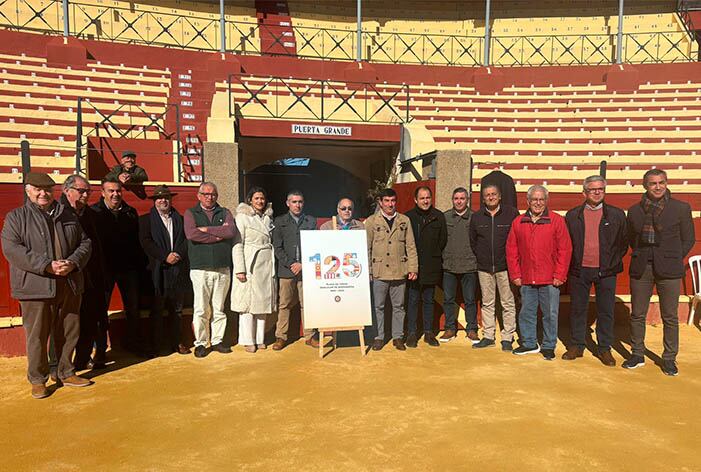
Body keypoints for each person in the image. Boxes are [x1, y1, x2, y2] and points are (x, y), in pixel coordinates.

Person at [1, 173, 92, 398]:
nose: (43, 193)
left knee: (69, 331)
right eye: (38, 189)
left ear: (54, 191)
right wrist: (47, 266)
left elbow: (85, 242)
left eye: (48, 189)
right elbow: (12, 250)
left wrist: (72, 262)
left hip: (68, 282)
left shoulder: (67, 215)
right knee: (37, 336)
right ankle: (38, 379)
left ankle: (65, 371)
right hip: (35, 285)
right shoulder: (16, 217)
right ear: (28, 190)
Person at [624, 169, 695, 376]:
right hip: (642, 266)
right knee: (637, 314)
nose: (657, 187)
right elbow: (632, 239)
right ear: (645, 186)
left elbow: (688, 239)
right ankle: (637, 353)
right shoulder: (635, 210)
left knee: (670, 316)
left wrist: (672, 256)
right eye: (653, 183)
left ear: (666, 183)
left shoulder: (681, 208)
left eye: (661, 182)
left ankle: (669, 358)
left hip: (669, 269)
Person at [564, 176, 628, 366]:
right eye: (593, 189)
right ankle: (576, 344)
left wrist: (611, 261)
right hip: (579, 269)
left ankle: (604, 348)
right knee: (577, 309)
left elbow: (623, 243)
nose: (597, 192)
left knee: (606, 310)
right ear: (584, 193)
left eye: (601, 188)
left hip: (606, 271)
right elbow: (568, 243)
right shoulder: (573, 215)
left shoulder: (616, 215)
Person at [506, 185, 572, 360]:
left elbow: (565, 250)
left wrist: (559, 275)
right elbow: (511, 250)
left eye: (541, 199)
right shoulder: (518, 222)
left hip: (550, 278)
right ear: (527, 201)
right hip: (527, 277)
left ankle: (549, 345)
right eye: (534, 199)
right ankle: (529, 343)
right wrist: (516, 275)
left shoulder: (557, 220)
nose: (538, 203)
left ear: (546, 201)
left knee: (550, 313)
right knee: (526, 311)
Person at [91, 178, 145, 356]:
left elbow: (136, 242)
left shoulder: (130, 212)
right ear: (103, 193)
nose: (115, 194)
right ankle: (100, 350)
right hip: (104, 269)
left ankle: (133, 343)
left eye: (118, 191)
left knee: (133, 309)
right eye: (111, 191)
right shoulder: (94, 213)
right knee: (100, 310)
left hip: (128, 268)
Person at [60, 175, 108, 370]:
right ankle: (59, 365)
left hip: (91, 276)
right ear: (67, 190)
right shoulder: (58, 212)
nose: (86, 194)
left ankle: (80, 361)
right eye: (81, 191)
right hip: (68, 275)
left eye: (88, 191)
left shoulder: (90, 213)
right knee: (65, 323)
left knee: (89, 320)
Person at [184, 182, 236, 358]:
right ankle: (200, 343)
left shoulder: (225, 212)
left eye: (213, 194)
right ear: (199, 195)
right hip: (200, 268)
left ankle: (217, 341)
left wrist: (206, 231)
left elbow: (230, 231)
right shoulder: (191, 213)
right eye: (205, 194)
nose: (209, 197)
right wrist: (218, 235)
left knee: (219, 307)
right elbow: (192, 234)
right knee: (201, 308)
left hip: (222, 268)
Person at [139, 185, 190, 356]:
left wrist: (178, 255)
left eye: (166, 197)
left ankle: (177, 342)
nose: (163, 200)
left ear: (171, 199)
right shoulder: (145, 220)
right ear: (155, 201)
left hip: (177, 269)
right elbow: (146, 242)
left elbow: (186, 240)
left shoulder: (181, 219)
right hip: (157, 271)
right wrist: (164, 256)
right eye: (159, 198)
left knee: (176, 309)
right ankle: (156, 344)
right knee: (157, 309)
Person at [366, 188, 418, 351]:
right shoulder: (372, 221)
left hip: (398, 270)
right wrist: (368, 271)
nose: (390, 204)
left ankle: (397, 336)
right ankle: (379, 336)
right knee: (378, 306)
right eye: (386, 201)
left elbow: (410, 246)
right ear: (380, 202)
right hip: (379, 270)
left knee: (399, 306)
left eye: (393, 201)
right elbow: (366, 248)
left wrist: (413, 267)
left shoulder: (404, 220)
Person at [469, 184, 519, 351]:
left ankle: (507, 337)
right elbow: (473, 242)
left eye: (493, 194)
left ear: (500, 196)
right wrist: (482, 258)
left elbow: (516, 239)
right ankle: (488, 335)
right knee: (487, 303)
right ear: (483, 199)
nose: (490, 197)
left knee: (507, 302)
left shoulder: (511, 214)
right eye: (487, 195)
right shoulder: (477, 217)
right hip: (484, 267)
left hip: (505, 266)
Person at [232, 187, 276, 353]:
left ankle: (259, 338)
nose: (260, 201)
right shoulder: (242, 217)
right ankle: (247, 339)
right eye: (256, 198)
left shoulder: (267, 218)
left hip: (265, 264)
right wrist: (240, 269)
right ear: (250, 200)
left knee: (262, 302)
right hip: (250, 263)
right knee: (248, 304)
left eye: (262, 198)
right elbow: (237, 244)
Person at [272, 190, 318, 350]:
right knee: (284, 304)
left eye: (300, 202)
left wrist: (303, 264)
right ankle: (281, 337)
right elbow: (277, 247)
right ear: (287, 203)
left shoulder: (310, 221)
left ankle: (310, 336)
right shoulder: (280, 221)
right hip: (286, 270)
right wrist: (292, 263)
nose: (297, 205)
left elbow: (315, 245)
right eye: (294, 202)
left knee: (308, 304)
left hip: (306, 270)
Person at [405, 186, 447, 347]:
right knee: (413, 300)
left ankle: (429, 332)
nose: (425, 201)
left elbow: (442, 241)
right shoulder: (408, 217)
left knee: (429, 300)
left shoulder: (438, 216)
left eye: (428, 197)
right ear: (416, 200)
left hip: (431, 265)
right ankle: (411, 333)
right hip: (414, 267)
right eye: (422, 198)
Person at [441, 187, 479, 344]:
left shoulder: (475, 218)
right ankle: (450, 328)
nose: (459, 201)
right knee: (448, 299)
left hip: (469, 265)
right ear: (452, 200)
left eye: (462, 198)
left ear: (467, 200)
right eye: (456, 198)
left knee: (470, 300)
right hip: (449, 265)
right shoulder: (445, 217)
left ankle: (471, 329)